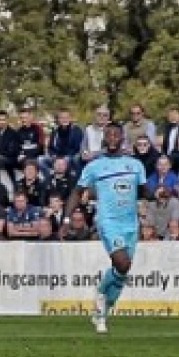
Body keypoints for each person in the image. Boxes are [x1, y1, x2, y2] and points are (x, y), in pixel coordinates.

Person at [66, 122, 147, 335]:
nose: (112, 138)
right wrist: (66, 220)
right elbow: (77, 192)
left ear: (122, 138)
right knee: (122, 262)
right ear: (103, 138)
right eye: (108, 134)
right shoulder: (94, 166)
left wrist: (159, 193)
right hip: (108, 222)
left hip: (130, 223)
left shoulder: (135, 165)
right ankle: (102, 293)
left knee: (123, 270)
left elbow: (144, 191)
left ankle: (102, 310)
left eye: (116, 135)